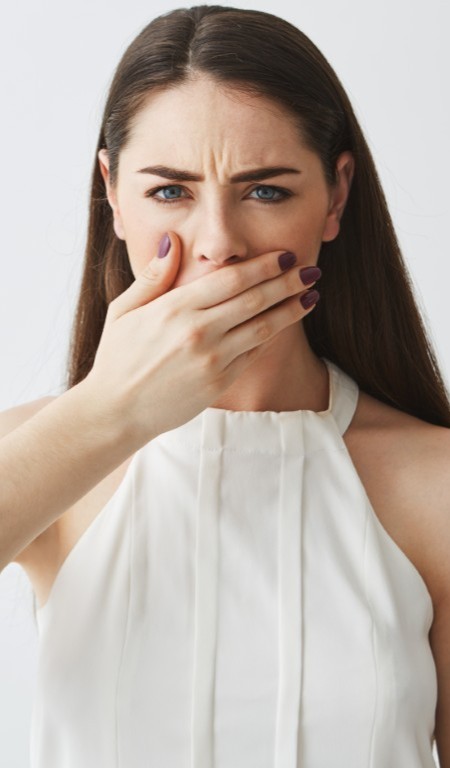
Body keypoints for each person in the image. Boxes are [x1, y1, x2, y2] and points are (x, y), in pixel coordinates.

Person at [0, 4, 449, 766]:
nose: (218, 244)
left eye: (265, 191)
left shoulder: (431, 483)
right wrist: (112, 413)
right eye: (170, 192)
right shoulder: (44, 451)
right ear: (111, 192)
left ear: (336, 198)